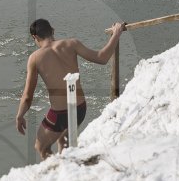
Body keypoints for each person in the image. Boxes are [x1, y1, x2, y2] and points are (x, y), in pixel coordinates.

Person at [15, 18, 126, 160]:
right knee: (63, 141)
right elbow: (102, 58)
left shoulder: (35, 58)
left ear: (34, 37)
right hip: (80, 108)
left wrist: (20, 116)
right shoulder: (72, 44)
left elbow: (27, 96)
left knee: (41, 146)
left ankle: (58, 170)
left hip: (59, 114)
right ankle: (68, 169)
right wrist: (116, 33)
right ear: (53, 30)